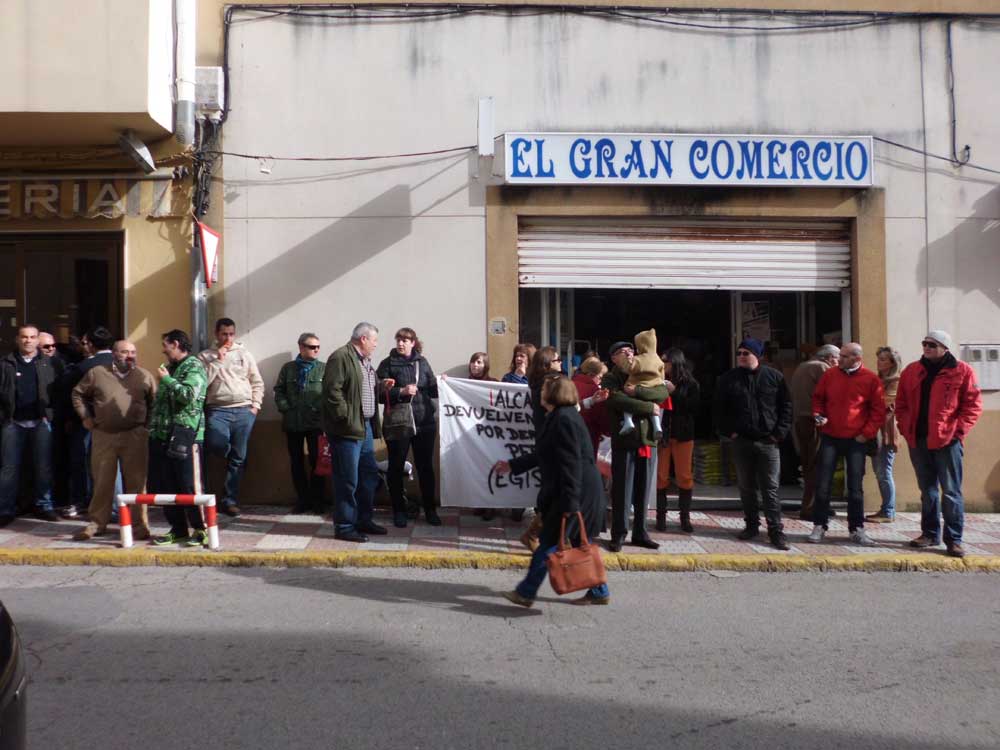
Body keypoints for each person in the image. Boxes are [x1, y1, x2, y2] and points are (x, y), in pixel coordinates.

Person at [496, 375, 610, 607]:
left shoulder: (564, 420)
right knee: (578, 542)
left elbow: (571, 465)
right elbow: (543, 454)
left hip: (574, 492)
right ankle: (599, 591)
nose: (540, 393)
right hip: (574, 490)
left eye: (544, 389)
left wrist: (570, 503)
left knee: (548, 541)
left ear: (553, 394)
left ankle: (526, 592)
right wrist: (512, 466)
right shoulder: (558, 417)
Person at [896, 330, 982, 558]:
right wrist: (905, 428)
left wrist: (957, 432)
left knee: (951, 491)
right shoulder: (912, 371)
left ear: (945, 348)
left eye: (932, 344)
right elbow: (901, 403)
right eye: (925, 343)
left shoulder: (962, 371)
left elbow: (972, 406)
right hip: (919, 439)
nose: (927, 347)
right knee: (928, 490)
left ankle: (954, 539)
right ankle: (930, 533)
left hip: (948, 441)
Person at [71, 340, 155, 541]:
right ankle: (97, 523)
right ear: (114, 354)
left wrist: (147, 426)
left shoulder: (145, 375)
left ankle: (139, 525)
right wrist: (86, 417)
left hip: (135, 435)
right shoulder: (97, 373)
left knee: (136, 482)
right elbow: (78, 394)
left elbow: (156, 402)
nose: (130, 355)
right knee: (102, 481)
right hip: (104, 434)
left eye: (133, 352)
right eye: (125, 352)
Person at [713, 338, 793, 550]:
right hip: (741, 441)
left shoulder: (774, 377)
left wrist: (778, 434)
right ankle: (751, 525)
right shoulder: (728, 379)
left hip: (768, 442)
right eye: (739, 353)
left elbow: (786, 407)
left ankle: (776, 530)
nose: (741, 356)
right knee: (747, 487)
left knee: (770, 488)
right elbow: (719, 410)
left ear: (757, 355)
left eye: (746, 353)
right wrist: (729, 433)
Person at [807, 342, 885, 546]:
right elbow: (818, 399)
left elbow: (878, 412)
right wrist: (818, 416)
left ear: (857, 359)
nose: (838, 359)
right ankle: (819, 525)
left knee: (855, 487)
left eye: (844, 356)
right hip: (830, 436)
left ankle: (856, 528)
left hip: (855, 440)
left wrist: (865, 434)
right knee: (823, 484)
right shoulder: (830, 375)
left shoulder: (870, 379)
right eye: (839, 355)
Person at [322, 322, 392, 542]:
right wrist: (345, 418)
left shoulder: (366, 362)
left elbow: (360, 392)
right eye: (374, 341)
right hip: (347, 430)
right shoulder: (340, 357)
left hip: (366, 429)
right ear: (363, 338)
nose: (375, 345)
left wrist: (382, 387)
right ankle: (344, 526)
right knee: (347, 479)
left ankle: (363, 519)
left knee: (368, 476)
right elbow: (332, 392)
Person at [603, 340, 669, 551]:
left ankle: (641, 532)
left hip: (647, 439)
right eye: (622, 352)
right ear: (614, 358)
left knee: (643, 489)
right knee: (622, 488)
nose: (629, 354)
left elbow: (662, 392)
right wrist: (649, 406)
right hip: (625, 440)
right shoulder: (611, 378)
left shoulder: (648, 372)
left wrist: (639, 393)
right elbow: (616, 400)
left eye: (630, 350)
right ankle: (619, 533)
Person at [148, 330, 210, 546]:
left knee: (189, 485)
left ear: (175, 344)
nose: (163, 349)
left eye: (165, 345)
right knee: (167, 486)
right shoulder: (171, 368)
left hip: (185, 435)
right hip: (162, 435)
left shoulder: (194, 366)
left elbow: (188, 396)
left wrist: (167, 381)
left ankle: (201, 529)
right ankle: (178, 529)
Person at [199, 317, 264, 518]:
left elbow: (256, 381)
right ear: (216, 334)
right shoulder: (205, 356)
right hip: (218, 410)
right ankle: (231, 454)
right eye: (224, 334)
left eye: (231, 334)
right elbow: (202, 383)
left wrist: (255, 406)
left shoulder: (244, 353)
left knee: (239, 458)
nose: (228, 338)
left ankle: (229, 500)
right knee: (216, 444)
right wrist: (218, 360)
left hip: (244, 410)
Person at [376, 327, 440, 528]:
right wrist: (400, 391)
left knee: (425, 468)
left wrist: (442, 383)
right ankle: (399, 511)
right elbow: (377, 394)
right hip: (398, 423)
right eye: (399, 340)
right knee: (396, 467)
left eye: (405, 340)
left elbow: (433, 391)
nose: (401, 343)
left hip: (424, 423)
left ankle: (430, 510)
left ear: (414, 343)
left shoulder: (423, 362)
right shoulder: (386, 364)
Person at [0, 325, 58, 526]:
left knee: (43, 467)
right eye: (24, 337)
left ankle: (44, 505)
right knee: (9, 468)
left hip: (41, 422)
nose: (28, 341)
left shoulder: (49, 363)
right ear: (17, 339)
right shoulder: (6, 363)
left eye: (32, 337)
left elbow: (58, 392)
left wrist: (50, 415)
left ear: (37, 340)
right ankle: (6, 509)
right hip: (13, 422)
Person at [62, 326, 115, 519]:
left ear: (91, 345)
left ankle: (83, 501)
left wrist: (75, 418)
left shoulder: (83, 367)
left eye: (85, 343)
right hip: (113, 422)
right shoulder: (119, 363)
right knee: (107, 465)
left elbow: (71, 394)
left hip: (85, 423)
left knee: (83, 463)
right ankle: (111, 505)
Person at [273, 332, 327, 514]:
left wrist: (317, 409)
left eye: (318, 347)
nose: (316, 350)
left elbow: (328, 393)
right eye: (312, 347)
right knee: (296, 462)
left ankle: (318, 500)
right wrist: (285, 407)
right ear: (301, 348)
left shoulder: (323, 368)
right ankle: (303, 499)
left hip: (315, 423)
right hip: (293, 422)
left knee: (317, 462)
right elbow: (278, 390)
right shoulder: (288, 369)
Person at [789, 345, 840, 520]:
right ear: (829, 358)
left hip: (801, 420)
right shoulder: (821, 367)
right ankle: (810, 508)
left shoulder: (803, 366)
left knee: (809, 463)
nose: (838, 363)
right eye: (838, 359)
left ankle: (817, 504)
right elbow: (833, 393)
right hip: (813, 421)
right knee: (816, 464)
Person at [656, 348, 700, 533]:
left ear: (675, 362)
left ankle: (685, 518)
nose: (662, 363)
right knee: (661, 477)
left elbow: (693, 408)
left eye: (665, 360)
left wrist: (674, 393)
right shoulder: (658, 381)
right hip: (664, 435)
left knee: (684, 476)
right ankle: (660, 518)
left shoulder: (691, 384)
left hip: (683, 435)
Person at [865, 346, 902, 523]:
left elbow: (884, 403)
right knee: (879, 470)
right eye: (878, 358)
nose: (879, 362)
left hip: (886, 431)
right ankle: (885, 508)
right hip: (876, 430)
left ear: (892, 363)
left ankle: (888, 511)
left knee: (884, 471)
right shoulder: (879, 379)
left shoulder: (895, 381)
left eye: (883, 359)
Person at [619, 329, 665, 439]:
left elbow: (629, 369)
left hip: (635, 385)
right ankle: (657, 426)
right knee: (654, 407)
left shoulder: (639, 359)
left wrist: (628, 360)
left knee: (628, 403)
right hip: (653, 387)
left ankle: (628, 421)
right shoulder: (659, 360)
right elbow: (662, 377)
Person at [571, 356, 609, 458]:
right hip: (588, 438)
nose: (600, 381)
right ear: (591, 375)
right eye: (600, 377)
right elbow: (602, 419)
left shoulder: (568, 384)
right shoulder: (595, 391)